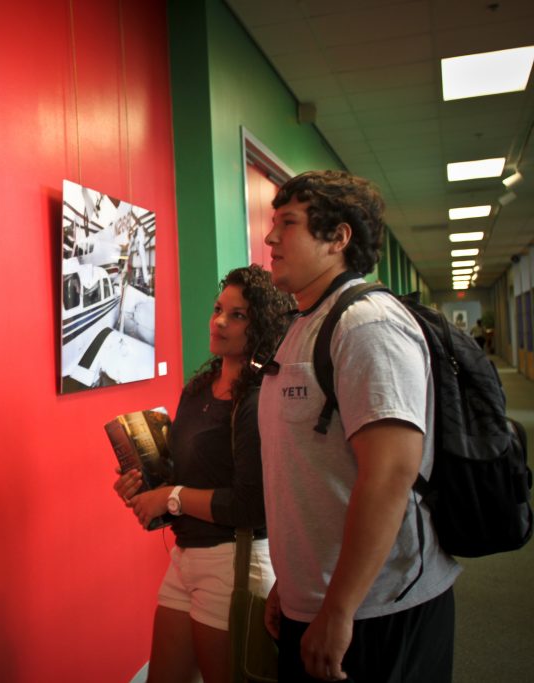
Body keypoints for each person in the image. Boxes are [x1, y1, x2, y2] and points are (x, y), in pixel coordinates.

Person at [259, 170, 461, 682]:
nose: (270, 237)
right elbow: (309, 472)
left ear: (338, 237)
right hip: (319, 599)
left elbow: (390, 474)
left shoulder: (367, 325)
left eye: (288, 223)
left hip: (379, 608)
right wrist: (293, 582)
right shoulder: (302, 325)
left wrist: (339, 608)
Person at [114, 265, 294, 683]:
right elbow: (183, 474)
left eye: (237, 315)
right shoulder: (198, 389)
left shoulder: (257, 400)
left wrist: (170, 497)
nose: (220, 321)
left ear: (262, 326)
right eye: (218, 309)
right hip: (185, 555)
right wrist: (143, 485)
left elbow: (251, 505)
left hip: (234, 561)